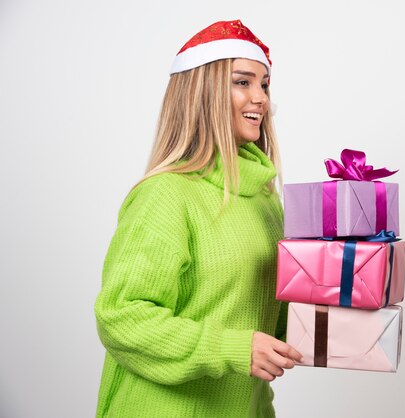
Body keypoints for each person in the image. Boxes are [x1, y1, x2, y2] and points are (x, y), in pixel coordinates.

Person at [94, 19, 302, 418]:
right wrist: (232, 349)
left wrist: (345, 290)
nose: (260, 98)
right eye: (242, 82)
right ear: (202, 92)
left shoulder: (264, 200)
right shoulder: (166, 194)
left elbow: (268, 322)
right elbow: (121, 316)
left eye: (264, 84)